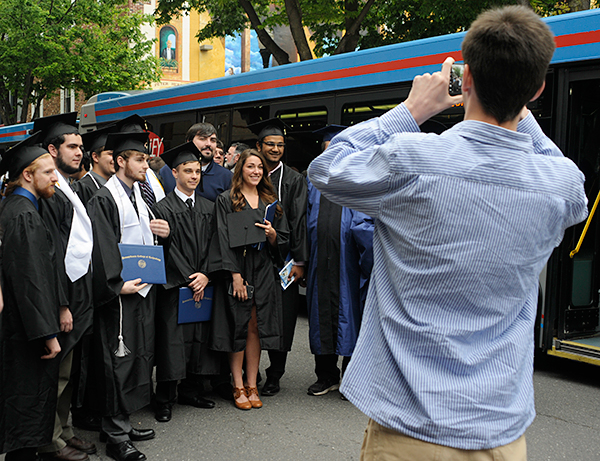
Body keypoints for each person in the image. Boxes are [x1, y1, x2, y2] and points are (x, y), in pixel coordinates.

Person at [308, 6, 588, 459]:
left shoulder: (414, 160)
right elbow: (557, 164)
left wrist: (410, 110)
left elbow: (327, 168)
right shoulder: (560, 186)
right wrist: (514, 100)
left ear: (466, 77)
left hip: (409, 432)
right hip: (502, 436)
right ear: (537, 89)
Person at [87, 132, 170, 461]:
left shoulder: (139, 193)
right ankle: (115, 434)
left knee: (138, 357)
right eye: (139, 159)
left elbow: (142, 236)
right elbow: (100, 246)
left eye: (146, 159)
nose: (145, 164)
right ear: (120, 161)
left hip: (142, 288)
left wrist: (162, 231)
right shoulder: (105, 198)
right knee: (118, 360)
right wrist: (115, 284)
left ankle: (124, 419)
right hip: (121, 291)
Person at [34, 113, 96, 461]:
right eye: (72, 146)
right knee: (56, 373)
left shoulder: (67, 188)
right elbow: (51, 255)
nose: (79, 153)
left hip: (78, 294)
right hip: (62, 297)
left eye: (81, 147)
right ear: (52, 149)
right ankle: (50, 439)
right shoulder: (47, 194)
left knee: (70, 372)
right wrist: (61, 303)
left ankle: (65, 429)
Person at [210, 149, 289, 410]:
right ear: (240, 169)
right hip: (239, 266)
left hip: (263, 266)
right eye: (250, 166)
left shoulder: (270, 200)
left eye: (259, 167)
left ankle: (253, 383)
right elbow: (222, 239)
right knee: (238, 325)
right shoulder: (227, 200)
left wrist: (272, 234)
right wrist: (235, 276)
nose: (256, 171)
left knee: (256, 325)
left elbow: (284, 238)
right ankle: (237, 384)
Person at [0, 133, 61, 461]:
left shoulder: (17, 207)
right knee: (25, 408)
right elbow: (31, 280)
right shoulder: (23, 214)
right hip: (25, 334)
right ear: (27, 175)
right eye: (49, 172)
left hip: (18, 327)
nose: (56, 178)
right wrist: (47, 334)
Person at [151, 142, 220, 422]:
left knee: (198, 339)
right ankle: (165, 397)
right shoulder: (162, 208)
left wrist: (206, 274)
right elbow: (165, 250)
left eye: (197, 171)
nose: (194, 176)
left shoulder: (209, 207)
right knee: (172, 340)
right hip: (174, 287)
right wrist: (189, 279)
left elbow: (216, 245)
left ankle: (192, 390)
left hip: (202, 283)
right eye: (187, 171)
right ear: (175, 173)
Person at [306, 126, 374, 398]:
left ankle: (351, 379)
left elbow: (366, 223)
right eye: (328, 146)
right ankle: (325, 376)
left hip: (350, 265)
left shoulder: (359, 179)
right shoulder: (312, 181)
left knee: (351, 319)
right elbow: (303, 220)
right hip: (319, 263)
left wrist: (367, 258)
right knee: (320, 318)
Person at [249, 119, 307, 397]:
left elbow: (300, 222)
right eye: (270, 144)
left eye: (280, 145)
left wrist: (299, 261)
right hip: (254, 260)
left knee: (282, 317)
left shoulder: (294, 180)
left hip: (284, 261)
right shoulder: (249, 175)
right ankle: (252, 371)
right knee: (253, 318)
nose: (275, 149)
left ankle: (275, 374)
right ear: (258, 147)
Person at [159, 123, 232, 201]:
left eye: (213, 140)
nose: (208, 144)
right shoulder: (167, 172)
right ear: (189, 142)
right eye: (202, 139)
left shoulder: (226, 177)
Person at [75, 124, 117, 205]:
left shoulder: (116, 185)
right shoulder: (82, 188)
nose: (115, 159)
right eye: (110, 154)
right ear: (95, 157)